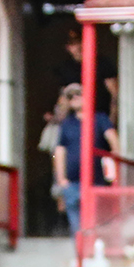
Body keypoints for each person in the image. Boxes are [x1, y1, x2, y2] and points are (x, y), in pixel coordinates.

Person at [53, 83, 119, 236]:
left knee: (97, 225)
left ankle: (92, 256)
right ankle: (81, 256)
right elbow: (59, 151)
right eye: (70, 96)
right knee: (77, 229)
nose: (75, 98)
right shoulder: (66, 123)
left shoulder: (100, 118)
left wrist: (113, 172)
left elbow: (114, 142)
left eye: (78, 94)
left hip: (97, 183)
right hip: (73, 184)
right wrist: (62, 179)